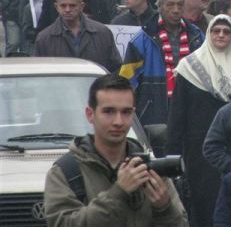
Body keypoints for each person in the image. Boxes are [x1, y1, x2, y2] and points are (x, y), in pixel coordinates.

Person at [44, 74, 188, 227]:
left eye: (126, 112)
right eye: (109, 111)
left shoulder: (149, 168)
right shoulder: (66, 172)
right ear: (90, 114)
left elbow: (181, 223)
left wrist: (164, 209)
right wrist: (118, 192)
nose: (118, 121)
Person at [167, 14, 231, 227]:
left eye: (226, 31)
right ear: (209, 33)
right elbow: (177, 116)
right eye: (216, 31)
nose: (221, 35)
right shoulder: (189, 66)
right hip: (199, 152)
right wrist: (172, 157)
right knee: (204, 206)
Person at [119, 0, 204, 125]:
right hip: (154, 115)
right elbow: (126, 82)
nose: (176, 10)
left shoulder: (197, 36)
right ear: (159, 6)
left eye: (180, 5)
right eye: (170, 5)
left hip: (191, 111)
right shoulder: (142, 40)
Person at [34, 0, 121, 72]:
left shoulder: (102, 33)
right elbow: (39, 72)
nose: (67, 9)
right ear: (56, 7)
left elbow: (116, 67)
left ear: (81, 6)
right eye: (63, 6)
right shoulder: (44, 38)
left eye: (72, 6)